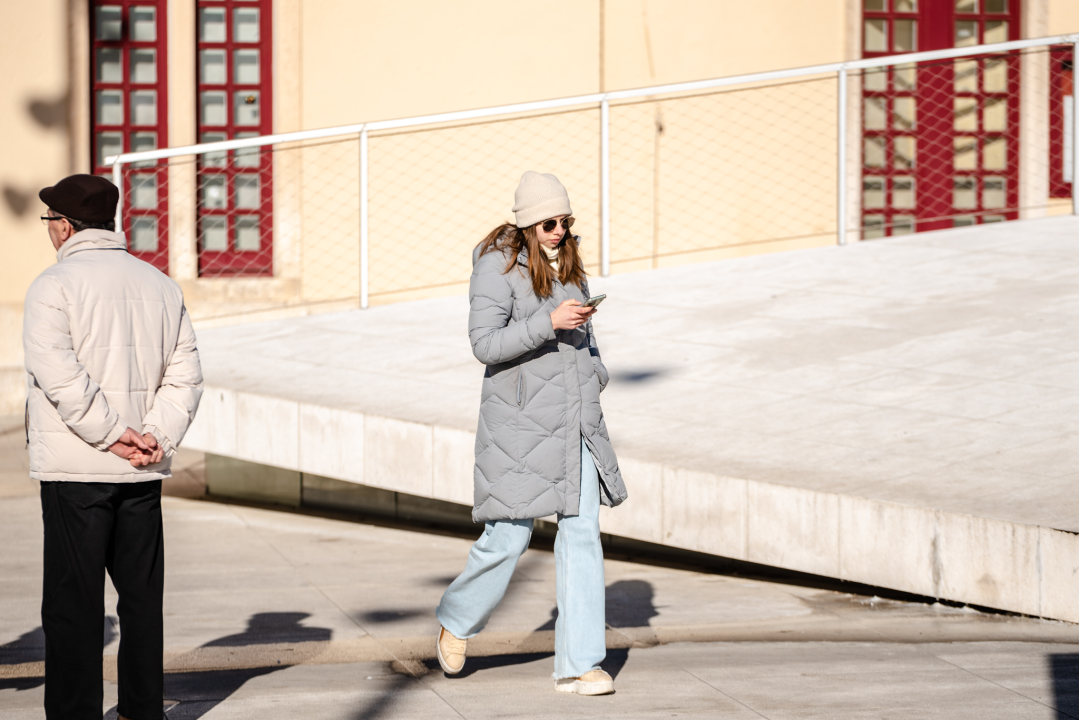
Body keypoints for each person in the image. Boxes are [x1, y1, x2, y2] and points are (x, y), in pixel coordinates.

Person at [435, 171, 628, 695]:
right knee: (509, 537)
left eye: (565, 221)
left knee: (582, 532)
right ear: (527, 223)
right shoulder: (496, 267)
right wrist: (549, 322)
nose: (560, 231)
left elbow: (585, 337)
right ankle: (457, 620)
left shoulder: (569, 264)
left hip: (576, 422)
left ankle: (581, 664)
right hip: (521, 428)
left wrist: (596, 369)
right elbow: (484, 344)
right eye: (549, 223)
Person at [24, 174, 203, 719]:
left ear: (64, 226)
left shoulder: (53, 285)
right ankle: (141, 711)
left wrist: (111, 435)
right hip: (142, 469)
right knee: (142, 601)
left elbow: (59, 376)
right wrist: (154, 438)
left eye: (50, 221)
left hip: (77, 470)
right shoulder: (161, 285)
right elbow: (185, 376)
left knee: (73, 605)